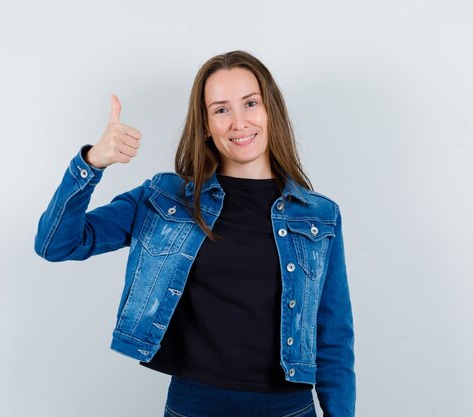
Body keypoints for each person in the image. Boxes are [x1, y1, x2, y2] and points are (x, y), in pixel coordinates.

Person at [34, 50, 355, 417]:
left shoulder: (318, 215)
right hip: (193, 407)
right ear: (204, 124)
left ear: (270, 111)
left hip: (288, 409)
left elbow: (334, 338)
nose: (239, 122)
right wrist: (90, 164)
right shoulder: (164, 200)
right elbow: (56, 244)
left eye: (250, 103)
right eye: (221, 109)